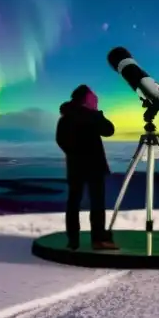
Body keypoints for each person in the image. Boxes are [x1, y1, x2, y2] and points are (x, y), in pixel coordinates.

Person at [56, 84, 119, 251]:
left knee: (73, 203)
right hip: (95, 166)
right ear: (86, 99)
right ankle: (98, 240)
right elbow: (109, 130)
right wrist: (97, 113)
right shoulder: (92, 116)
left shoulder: (65, 117)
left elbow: (61, 141)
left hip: (75, 167)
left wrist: (75, 155)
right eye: (93, 98)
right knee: (97, 203)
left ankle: (73, 241)